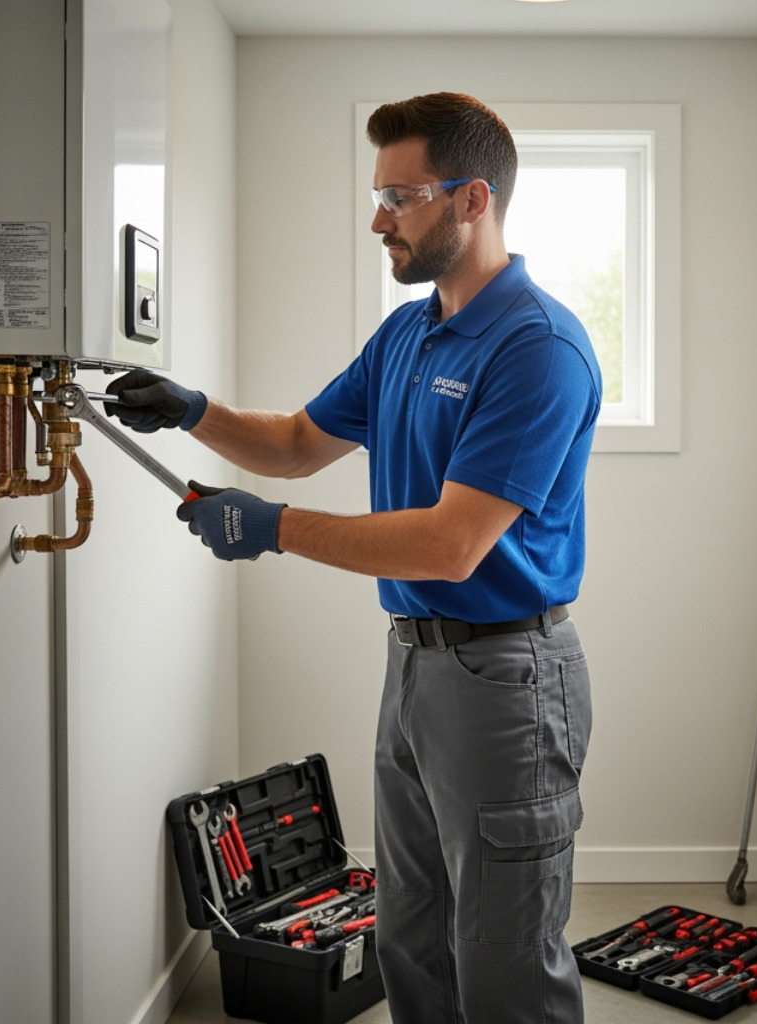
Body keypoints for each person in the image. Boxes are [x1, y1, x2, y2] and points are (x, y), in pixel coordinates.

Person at [106, 92, 599, 1024]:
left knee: (504, 962)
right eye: (378, 195)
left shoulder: (537, 348)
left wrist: (275, 529)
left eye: (401, 197)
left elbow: (453, 544)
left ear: (472, 201)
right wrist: (192, 409)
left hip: (507, 679)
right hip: (412, 664)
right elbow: (296, 440)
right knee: (412, 932)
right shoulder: (408, 334)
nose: (378, 219)